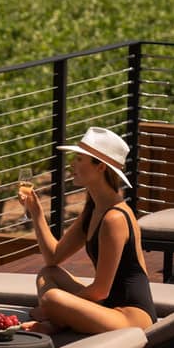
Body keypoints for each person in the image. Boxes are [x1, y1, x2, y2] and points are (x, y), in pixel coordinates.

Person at [18, 126, 156, 334]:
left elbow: (101, 290)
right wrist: (36, 213)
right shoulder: (94, 208)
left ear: (100, 166)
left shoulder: (114, 218)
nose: (72, 164)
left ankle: (56, 321)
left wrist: (48, 308)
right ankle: (60, 321)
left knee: (52, 298)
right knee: (48, 274)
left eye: (80, 159)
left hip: (129, 317)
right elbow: (53, 257)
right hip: (106, 307)